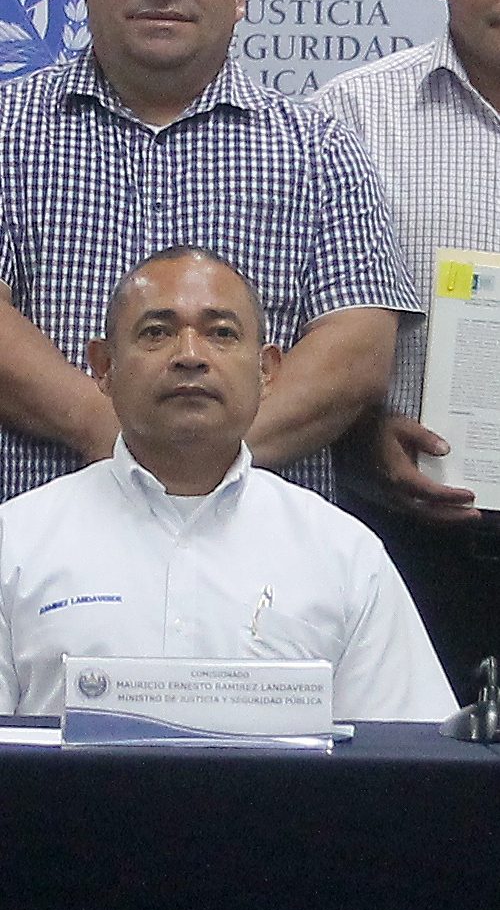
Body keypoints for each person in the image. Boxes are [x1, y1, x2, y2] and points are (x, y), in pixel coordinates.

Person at [0, 0, 417, 508]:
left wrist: (208, 456)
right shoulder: (7, 129)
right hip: (41, 540)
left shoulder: (318, 147)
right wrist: (106, 432)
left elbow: (357, 349)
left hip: (259, 550)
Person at [0, 246, 455, 723]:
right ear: (104, 367)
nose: (190, 356)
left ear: (266, 371)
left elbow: (406, 752)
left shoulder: (344, 555)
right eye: (157, 332)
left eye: (221, 333)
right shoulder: (16, 542)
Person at [314, 0, 500, 691]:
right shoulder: (348, 119)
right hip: (407, 549)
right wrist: (359, 431)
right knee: (408, 767)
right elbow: (283, 324)